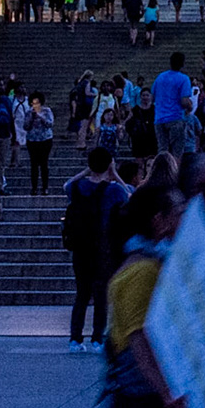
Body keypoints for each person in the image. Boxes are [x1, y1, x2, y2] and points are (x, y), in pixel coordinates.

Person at [104, 182, 197, 408]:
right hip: (145, 406)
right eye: (180, 211)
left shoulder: (153, 263)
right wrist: (167, 394)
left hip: (149, 404)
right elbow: (139, 338)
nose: (186, 218)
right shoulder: (142, 271)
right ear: (159, 220)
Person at [64, 146, 130, 352]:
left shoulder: (77, 188)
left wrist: (86, 171)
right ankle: (97, 339)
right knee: (101, 294)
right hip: (102, 247)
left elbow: (66, 185)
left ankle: (75, 339)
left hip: (79, 247)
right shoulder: (113, 190)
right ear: (109, 164)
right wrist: (115, 174)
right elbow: (129, 195)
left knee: (82, 294)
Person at [151, 52, 192, 157]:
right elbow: (184, 101)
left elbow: (153, 97)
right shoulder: (184, 79)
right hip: (176, 117)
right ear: (182, 63)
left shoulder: (160, 77)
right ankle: (174, 172)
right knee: (176, 152)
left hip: (159, 118)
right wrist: (190, 106)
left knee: (162, 150)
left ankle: (163, 171)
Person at [23, 93, 56, 195]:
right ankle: (34, 187)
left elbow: (50, 124)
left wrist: (40, 117)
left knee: (44, 163)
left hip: (45, 139)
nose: (35, 105)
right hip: (32, 140)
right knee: (34, 164)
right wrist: (32, 118)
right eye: (33, 103)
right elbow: (25, 126)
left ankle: (45, 187)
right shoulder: (28, 112)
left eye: (37, 103)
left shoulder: (47, 111)